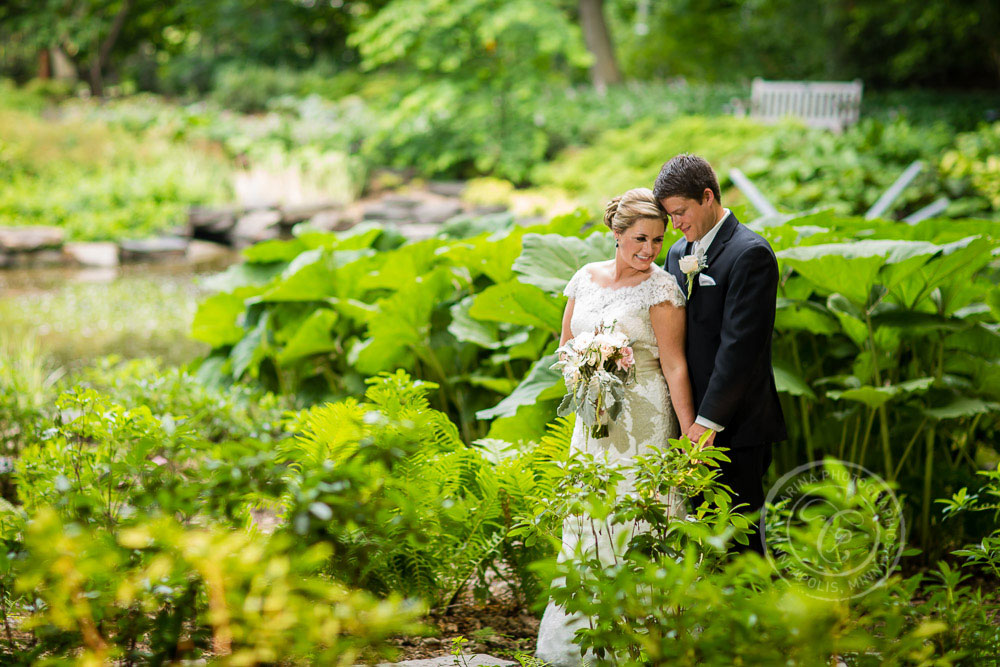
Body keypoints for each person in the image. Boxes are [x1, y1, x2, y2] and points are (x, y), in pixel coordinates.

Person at [535, 188, 694, 666]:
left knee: (638, 514)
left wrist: (690, 436)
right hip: (592, 418)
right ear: (617, 233)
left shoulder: (662, 289)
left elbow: (676, 367)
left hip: (645, 416)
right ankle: (585, 637)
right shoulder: (584, 279)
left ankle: (644, 641)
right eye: (641, 238)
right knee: (589, 515)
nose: (649, 250)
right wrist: (585, 373)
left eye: (658, 240)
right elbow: (565, 346)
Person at [657, 153, 787, 556]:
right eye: (670, 216)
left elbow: (740, 348)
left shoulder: (751, 254)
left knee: (741, 540)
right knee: (701, 537)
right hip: (687, 421)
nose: (675, 224)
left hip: (735, 423)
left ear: (708, 196)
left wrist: (708, 422)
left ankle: (756, 616)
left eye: (680, 212)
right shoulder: (678, 253)